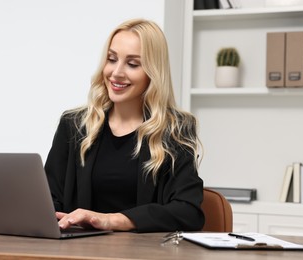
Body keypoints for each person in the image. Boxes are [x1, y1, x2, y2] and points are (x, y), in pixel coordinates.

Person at [45, 18, 204, 233]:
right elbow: (48, 201)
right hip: (78, 252)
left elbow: (188, 212)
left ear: (153, 72)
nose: (116, 72)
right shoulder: (73, 124)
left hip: (144, 254)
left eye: (132, 64)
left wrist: (110, 220)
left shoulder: (175, 129)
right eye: (112, 59)